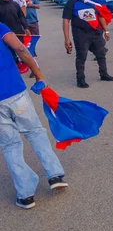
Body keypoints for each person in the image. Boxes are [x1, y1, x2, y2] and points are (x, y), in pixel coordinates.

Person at [0, 21, 68, 210]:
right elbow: (21, 49)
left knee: (9, 144)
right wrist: (38, 75)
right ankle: (54, 175)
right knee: (35, 132)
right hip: (15, 93)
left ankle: (25, 194)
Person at [62, 0, 113, 88]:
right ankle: (80, 79)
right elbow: (66, 21)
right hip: (81, 34)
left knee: (101, 54)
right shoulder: (71, 3)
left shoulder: (93, 0)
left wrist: (106, 31)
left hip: (96, 32)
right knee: (81, 57)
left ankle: (104, 74)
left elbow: (100, 16)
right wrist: (66, 39)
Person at [18, 0, 41, 77]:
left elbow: (38, 6)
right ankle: (33, 67)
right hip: (23, 24)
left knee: (33, 43)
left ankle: (34, 65)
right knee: (26, 45)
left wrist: (30, 5)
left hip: (33, 22)